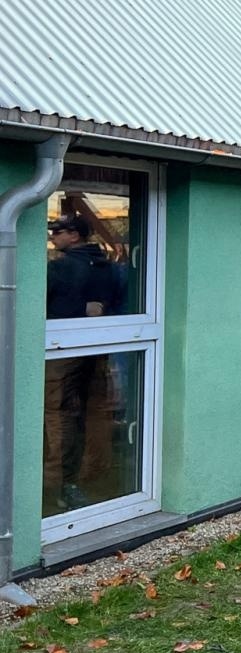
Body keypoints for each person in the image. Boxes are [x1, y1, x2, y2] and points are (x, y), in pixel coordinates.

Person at [43, 214, 117, 511]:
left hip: (61, 353)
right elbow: (106, 305)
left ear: (74, 235)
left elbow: (39, 305)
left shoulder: (60, 268)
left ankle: (55, 485)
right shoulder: (107, 266)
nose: (52, 237)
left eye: (57, 231)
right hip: (95, 353)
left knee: (57, 415)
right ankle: (90, 476)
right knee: (92, 413)